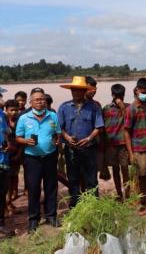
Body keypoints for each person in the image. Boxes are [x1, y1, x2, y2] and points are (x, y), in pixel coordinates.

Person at [16, 88, 61, 232]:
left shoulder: (52, 116)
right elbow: (18, 137)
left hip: (50, 156)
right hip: (32, 159)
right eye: (37, 99)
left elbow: (57, 133)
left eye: (42, 99)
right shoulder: (24, 118)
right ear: (31, 102)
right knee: (34, 188)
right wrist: (26, 141)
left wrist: (56, 140)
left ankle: (51, 216)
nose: (40, 102)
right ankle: (34, 220)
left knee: (51, 187)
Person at [58, 77, 104, 208]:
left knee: (91, 179)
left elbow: (98, 127)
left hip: (89, 148)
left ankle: (93, 205)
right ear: (71, 91)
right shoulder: (64, 107)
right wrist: (66, 137)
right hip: (71, 149)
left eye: (79, 90)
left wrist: (89, 138)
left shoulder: (94, 107)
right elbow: (59, 128)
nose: (76, 93)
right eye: (74, 90)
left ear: (84, 91)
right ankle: (75, 206)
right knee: (73, 178)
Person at [124, 78, 146, 215]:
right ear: (137, 90)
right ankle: (142, 203)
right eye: (143, 92)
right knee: (140, 177)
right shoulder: (131, 109)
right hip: (139, 149)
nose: (145, 94)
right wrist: (131, 153)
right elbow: (126, 132)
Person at [102, 84, 130, 201]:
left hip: (123, 144)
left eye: (121, 96)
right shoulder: (106, 108)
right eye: (117, 96)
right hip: (111, 145)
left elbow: (129, 120)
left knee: (125, 169)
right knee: (115, 169)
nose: (119, 98)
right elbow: (102, 127)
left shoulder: (128, 107)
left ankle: (128, 195)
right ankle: (119, 194)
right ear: (112, 95)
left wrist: (122, 107)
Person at [0, 103, 14, 238]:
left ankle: (1, 224)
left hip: (3, 160)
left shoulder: (2, 115)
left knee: (1, 193)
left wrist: (8, 144)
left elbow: (6, 133)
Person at [4, 100, 20, 215]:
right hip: (5, 155)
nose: (14, 112)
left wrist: (19, 154)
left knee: (14, 178)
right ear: (6, 110)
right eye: (11, 110)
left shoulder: (20, 121)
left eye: (16, 110)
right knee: (6, 180)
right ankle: (5, 204)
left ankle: (9, 201)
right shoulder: (3, 121)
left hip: (16, 154)